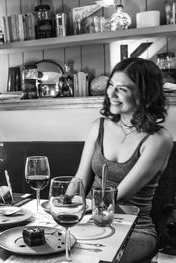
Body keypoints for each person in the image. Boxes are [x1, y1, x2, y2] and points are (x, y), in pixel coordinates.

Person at [74, 57, 173, 263]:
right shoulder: (98, 127)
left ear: (145, 94)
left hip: (134, 228)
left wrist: (77, 212)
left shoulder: (158, 140)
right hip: (89, 220)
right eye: (111, 85)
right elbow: (79, 181)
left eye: (123, 89)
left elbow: (116, 196)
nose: (111, 93)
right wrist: (62, 206)